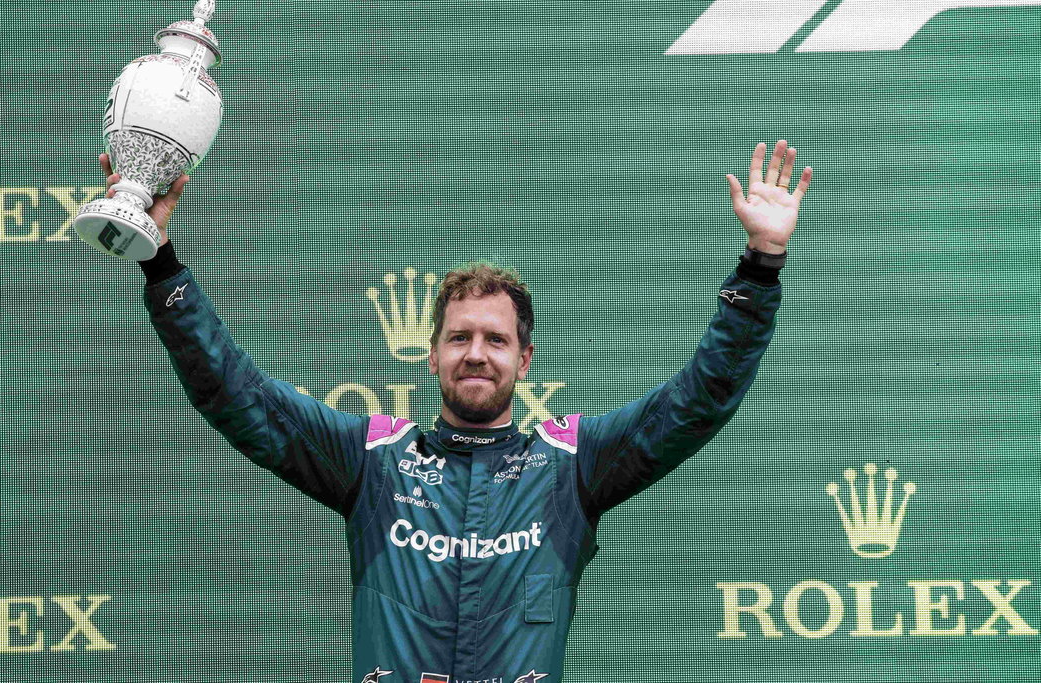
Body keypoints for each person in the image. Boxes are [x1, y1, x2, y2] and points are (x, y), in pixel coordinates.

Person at [100, 139, 812, 683]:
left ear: (525, 359)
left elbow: (699, 399)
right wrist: (160, 261)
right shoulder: (371, 460)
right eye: (460, 337)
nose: (477, 353)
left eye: (496, 339)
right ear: (432, 354)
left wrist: (761, 261)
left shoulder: (573, 466)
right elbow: (234, 393)